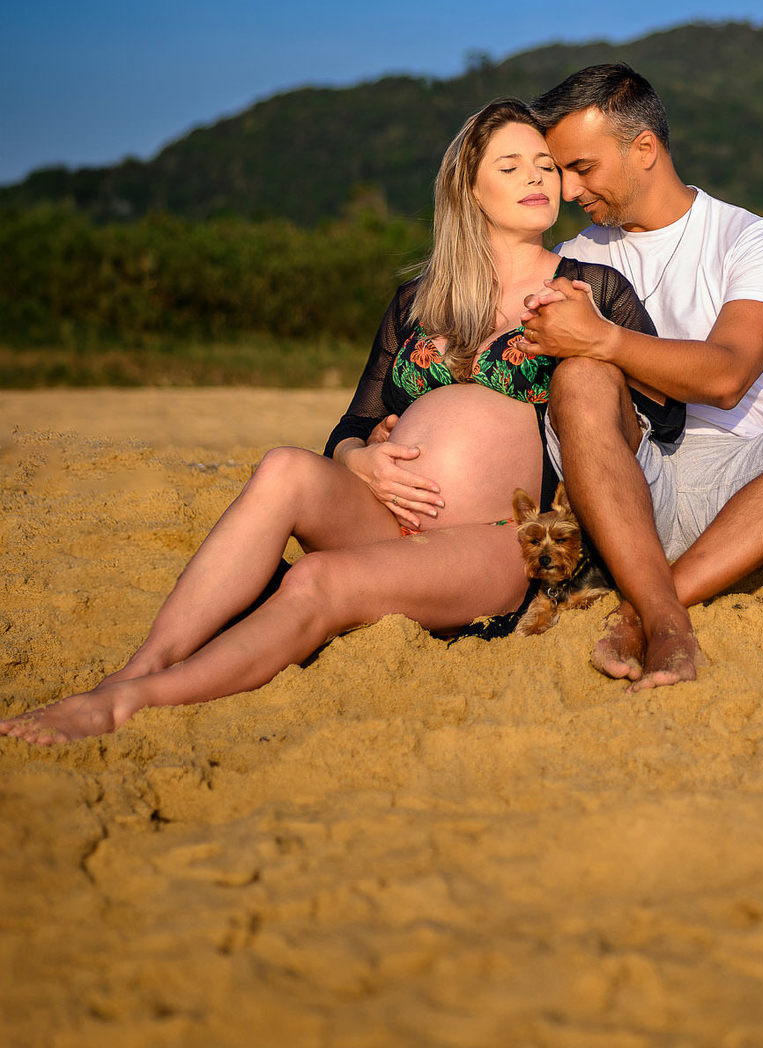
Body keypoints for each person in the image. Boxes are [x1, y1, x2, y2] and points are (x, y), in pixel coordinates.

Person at [0, 99, 679, 746]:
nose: (535, 176)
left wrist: (589, 343)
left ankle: (129, 704)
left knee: (314, 581)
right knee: (283, 467)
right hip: (385, 515)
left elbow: (657, 416)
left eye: (543, 164)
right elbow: (353, 423)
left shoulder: (592, 289)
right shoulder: (417, 301)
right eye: (510, 166)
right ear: (468, 191)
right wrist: (357, 459)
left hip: (498, 541)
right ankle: (140, 667)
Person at [518, 63, 763, 691]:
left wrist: (605, 338)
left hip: (751, 491)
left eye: (583, 167)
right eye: (561, 172)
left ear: (645, 148)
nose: (570, 191)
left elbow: (729, 376)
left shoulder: (752, 241)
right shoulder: (574, 256)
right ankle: (668, 617)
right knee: (579, 381)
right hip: (628, 482)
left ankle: (648, 609)